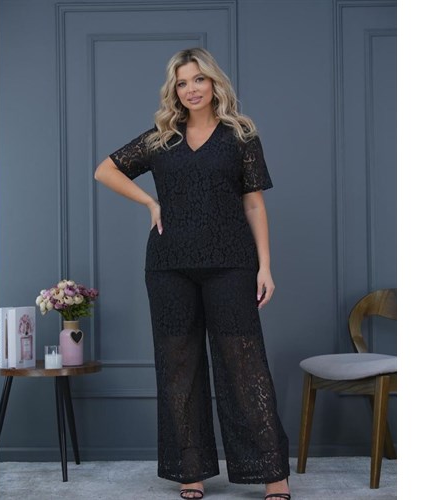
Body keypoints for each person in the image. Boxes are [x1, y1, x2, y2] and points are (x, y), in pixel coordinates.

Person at [95, 47, 291, 500]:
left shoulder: (240, 136)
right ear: (175, 90)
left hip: (231, 263)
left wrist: (265, 266)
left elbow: (254, 203)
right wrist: (150, 202)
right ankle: (191, 469)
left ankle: (272, 472)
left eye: (198, 79)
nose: (191, 89)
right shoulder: (161, 138)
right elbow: (105, 170)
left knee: (244, 366)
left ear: (214, 83)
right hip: (169, 266)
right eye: (182, 83)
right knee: (178, 367)